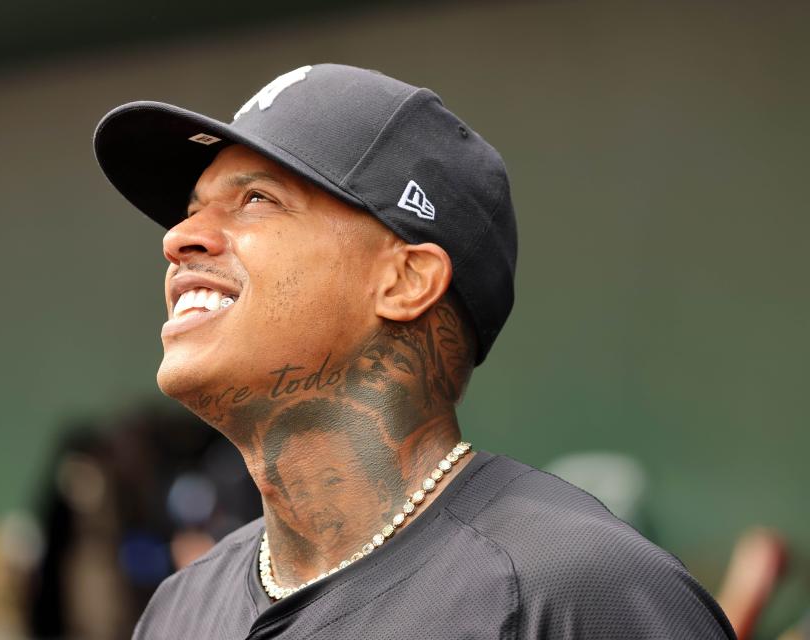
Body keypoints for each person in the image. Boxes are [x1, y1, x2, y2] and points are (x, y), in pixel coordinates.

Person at [93, 64, 735, 639]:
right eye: (191, 209)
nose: (179, 238)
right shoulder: (180, 609)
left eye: (256, 200)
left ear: (405, 281)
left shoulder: (575, 592)